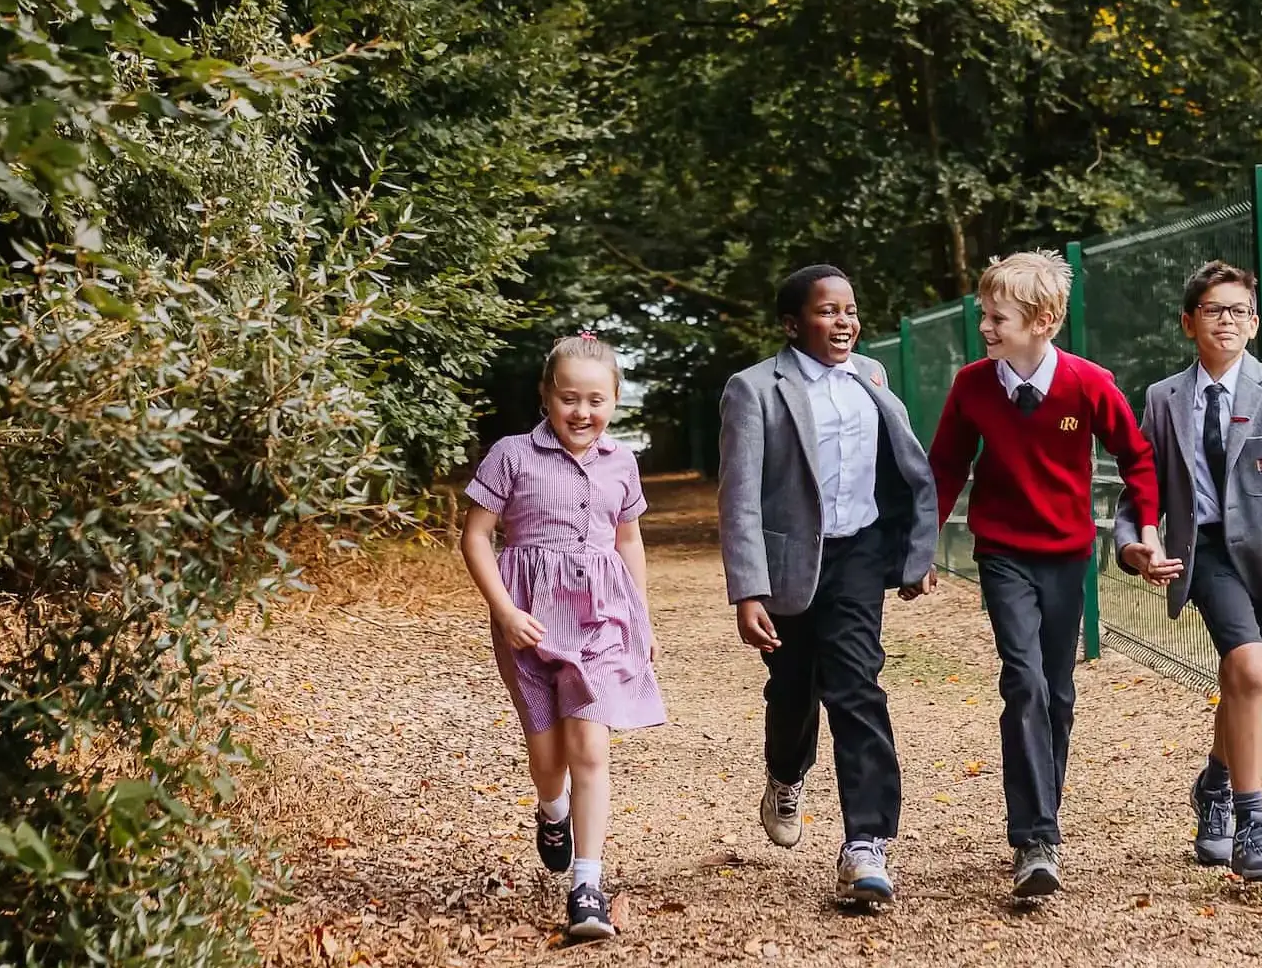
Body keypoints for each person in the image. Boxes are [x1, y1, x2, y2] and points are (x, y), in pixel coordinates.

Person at [926, 249, 1158, 900]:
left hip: (1068, 556)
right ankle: (1035, 838)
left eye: (997, 317)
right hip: (1002, 554)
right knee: (1022, 681)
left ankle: (1041, 822)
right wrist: (920, 547)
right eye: (984, 315)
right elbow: (944, 467)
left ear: (1044, 321)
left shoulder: (1088, 384)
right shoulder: (972, 385)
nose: (986, 328)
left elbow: (1137, 458)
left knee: (1056, 691)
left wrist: (1141, 529)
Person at [1114, 260, 1262, 882]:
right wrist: (1132, 543)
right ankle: (1253, 822)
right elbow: (1143, 487)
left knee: (1242, 682)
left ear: (1254, 323)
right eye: (1215, 310)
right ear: (1189, 322)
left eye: (1240, 311)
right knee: (1249, 669)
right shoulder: (1163, 399)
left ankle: (1214, 785)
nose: (1229, 321)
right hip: (1207, 550)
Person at [717, 264, 940, 906]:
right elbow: (740, 500)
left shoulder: (871, 376)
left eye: (849, 309)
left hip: (860, 556)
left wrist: (912, 552)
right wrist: (748, 590)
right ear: (793, 324)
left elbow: (899, 474)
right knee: (792, 689)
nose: (844, 321)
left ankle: (865, 843)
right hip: (789, 563)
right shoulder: (753, 389)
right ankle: (786, 773)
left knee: (856, 688)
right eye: (827, 311)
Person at [458, 332, 664, 940]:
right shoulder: (511, 455)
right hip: (529, 619)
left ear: (616, 399)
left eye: (596, 400)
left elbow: (628, 539)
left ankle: (587, 885)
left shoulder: (622, 462)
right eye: (570, 398)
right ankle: (553, 811)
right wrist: (503, 611)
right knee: (548, 760)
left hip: (602, 617)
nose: (583, 412)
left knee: (590, 749)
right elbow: (475, 536)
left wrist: (644, 618)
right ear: (547, 396)